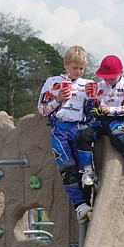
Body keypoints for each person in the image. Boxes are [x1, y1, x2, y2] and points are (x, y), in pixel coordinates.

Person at [37, 45, 93, 223]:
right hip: (60, 129)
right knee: (66, 167)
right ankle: (79, 205)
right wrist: (58, 99)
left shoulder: (88, 84)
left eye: (81, 68)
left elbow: (94, 112)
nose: (78, 71)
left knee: (86, 170)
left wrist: (92, 100)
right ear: (66, 65)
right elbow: (42, 110)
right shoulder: (53, 82)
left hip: (80, 129)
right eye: (75, 67)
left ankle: (89, 203)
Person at [76, 55, 124, 187]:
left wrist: (112, 110)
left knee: (118, 136)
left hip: (118, 120)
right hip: (100, 121)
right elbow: (89, 110)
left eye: (112, 77)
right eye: (105, 76)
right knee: (82, 133)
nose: (108, 80)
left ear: (121, 72)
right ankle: (88, 171)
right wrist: (89, 98)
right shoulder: (98, 86)